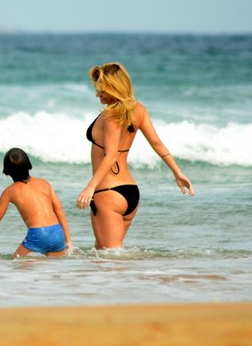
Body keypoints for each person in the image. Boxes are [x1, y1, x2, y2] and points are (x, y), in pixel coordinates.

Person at [76, 62, 194, 249]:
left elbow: (111, 154)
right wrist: (177, 172)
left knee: (110, 258)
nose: (97, 94)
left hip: (108, 194)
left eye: (102, 91)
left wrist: (90, 188)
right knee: (105, 255)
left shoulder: (110, 116)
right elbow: (157, 143)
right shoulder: (139, 109)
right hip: (130, 192)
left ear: (114, 89)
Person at [0, 148, 72, 258]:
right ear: (29, 166)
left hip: (38, 234)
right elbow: (59, 210)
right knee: (54, 271)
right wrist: (67, 239)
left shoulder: (9, 191)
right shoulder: (44, 183)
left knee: (17, 265)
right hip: (57, 233)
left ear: (6, 172)